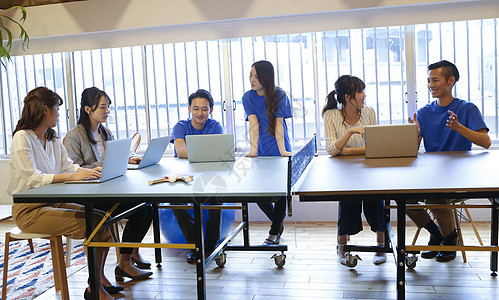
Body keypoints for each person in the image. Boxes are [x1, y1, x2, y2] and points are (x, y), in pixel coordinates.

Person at [6, 86, 117, 300]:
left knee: (105, 221)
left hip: (52, 204)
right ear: (45, 110)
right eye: (57, 109)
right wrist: (72, 177)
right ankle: (96, 288)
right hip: (29, 212)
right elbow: (33, 178)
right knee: (93, 225)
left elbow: (68, 166)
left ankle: (97, 282)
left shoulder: (52, 138)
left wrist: (89, 171)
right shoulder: (22, 138)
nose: (59, 114)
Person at [64, 87, 154, 280]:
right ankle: (124, 263)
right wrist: (107, 163)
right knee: (141, 208)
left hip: (108, 188)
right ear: (88, 109)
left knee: (147, 205)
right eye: (103, 107)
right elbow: (75, 168)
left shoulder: (105, 132)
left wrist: (129, 157)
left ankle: (125, 262)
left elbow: (116, 155)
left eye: (108, 107)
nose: (107, 111)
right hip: (89, 195)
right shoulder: (74, 136)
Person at [407, 60, 491, 262]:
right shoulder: (425, 112)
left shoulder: (467, 108)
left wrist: (459, 128)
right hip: (431, 176)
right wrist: (415, 134)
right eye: (429, 81)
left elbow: (486, 142)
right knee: (403, 198)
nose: (430, 85)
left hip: (459, 178)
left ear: (450, 81)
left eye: (435, 80)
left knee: (436, 198)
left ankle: (450, 239)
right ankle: (437, 233)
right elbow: (412, 151)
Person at [322, 75, 387, 265]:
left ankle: (381, 245)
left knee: (376, 203)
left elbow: (375, 147)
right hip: (344, 173)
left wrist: (345, 151)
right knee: (348, 203)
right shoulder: (331, 115)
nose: (364, 95)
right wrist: (350, 132)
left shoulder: (369, 112)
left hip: (369, 169)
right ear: (348, 97)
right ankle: (342, 246)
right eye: (360, 91)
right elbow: (332, 150)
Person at [170, 89, 223, 263]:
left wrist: (191, 151)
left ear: (211, 110)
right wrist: (208, 150)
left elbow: (220, 153)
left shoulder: (216, 126)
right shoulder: (181, 126)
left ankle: (210, 245)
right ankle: (195, 245)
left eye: (204, 109)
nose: (200, 113)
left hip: (209, 176)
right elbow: (180, 151)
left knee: (217, 195)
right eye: (196, 109)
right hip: (185, 177)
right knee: (174, 200)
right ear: (189, 108)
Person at [242, 60, 292, 246]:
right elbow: (254, 124)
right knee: (258, 195)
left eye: (256, 76)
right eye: (250, 75)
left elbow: (279, 124)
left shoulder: (279, 94)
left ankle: (273, 232)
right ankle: (278, 223)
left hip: (279, 149)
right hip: (261, 151)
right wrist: (253, 151)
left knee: (280, 194)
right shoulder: (247, 97)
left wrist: (283, 152)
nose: (252, 79)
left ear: (266, 77)